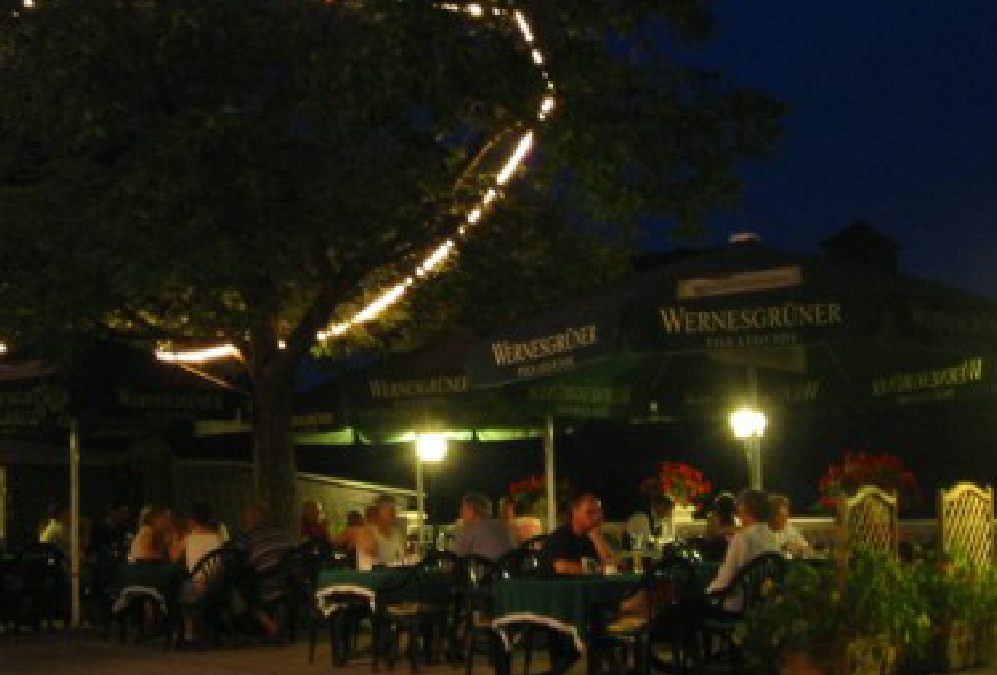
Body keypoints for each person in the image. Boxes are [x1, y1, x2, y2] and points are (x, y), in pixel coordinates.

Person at [235, 504, 296, 636]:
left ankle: (268, 623)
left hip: (269, 579)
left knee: (243, 585)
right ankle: (278, 621)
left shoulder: (247, 536)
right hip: (293, 580)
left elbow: (239, 557)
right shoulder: (282, 532)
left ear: (249, 521)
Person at [707, 490, 779, 598]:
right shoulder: (772, 537)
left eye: (740, 506)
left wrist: (708, 592)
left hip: (736, 600)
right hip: (761, 602)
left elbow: (725, 579)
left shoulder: (742, 538)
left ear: (745, 509)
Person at [539, 494, 616, 575]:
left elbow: (615, 565)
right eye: (590, 512)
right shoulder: (560, 537)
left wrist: (597, 539)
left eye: (599, 512)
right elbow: (563, 568)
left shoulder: (596, 536)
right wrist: (598, 570)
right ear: (575, 512)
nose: (596, 517)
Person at [451, 492, 514, 561]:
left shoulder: (470, 528)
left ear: (472, 510)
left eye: (463, 509)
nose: (461, 513)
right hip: (507, 566)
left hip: (483, 567)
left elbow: (454, 555)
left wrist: (458, 531)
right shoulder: (502, 526)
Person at [356, 495, 407, 569]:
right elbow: (366, 566)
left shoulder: (397, 533)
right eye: (388, 509)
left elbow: (403, 557)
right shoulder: (368, 533)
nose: (393, 513)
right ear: (377, 512)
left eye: (393, 509)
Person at [172, 501, 224, 573]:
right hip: (216, 579)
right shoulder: (218, 538)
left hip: (195, 579)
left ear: (192, 520)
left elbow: (173, 557)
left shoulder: (189, 539)